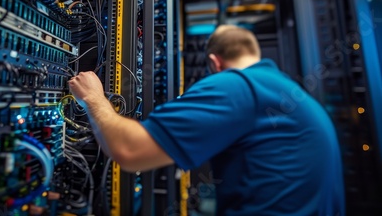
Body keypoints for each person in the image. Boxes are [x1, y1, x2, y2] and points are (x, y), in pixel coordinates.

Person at [68, 25, 345, 215]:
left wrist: (94, 99)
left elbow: (129, 150)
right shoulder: (288, 91)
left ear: (215, 62)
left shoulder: (238, 86)